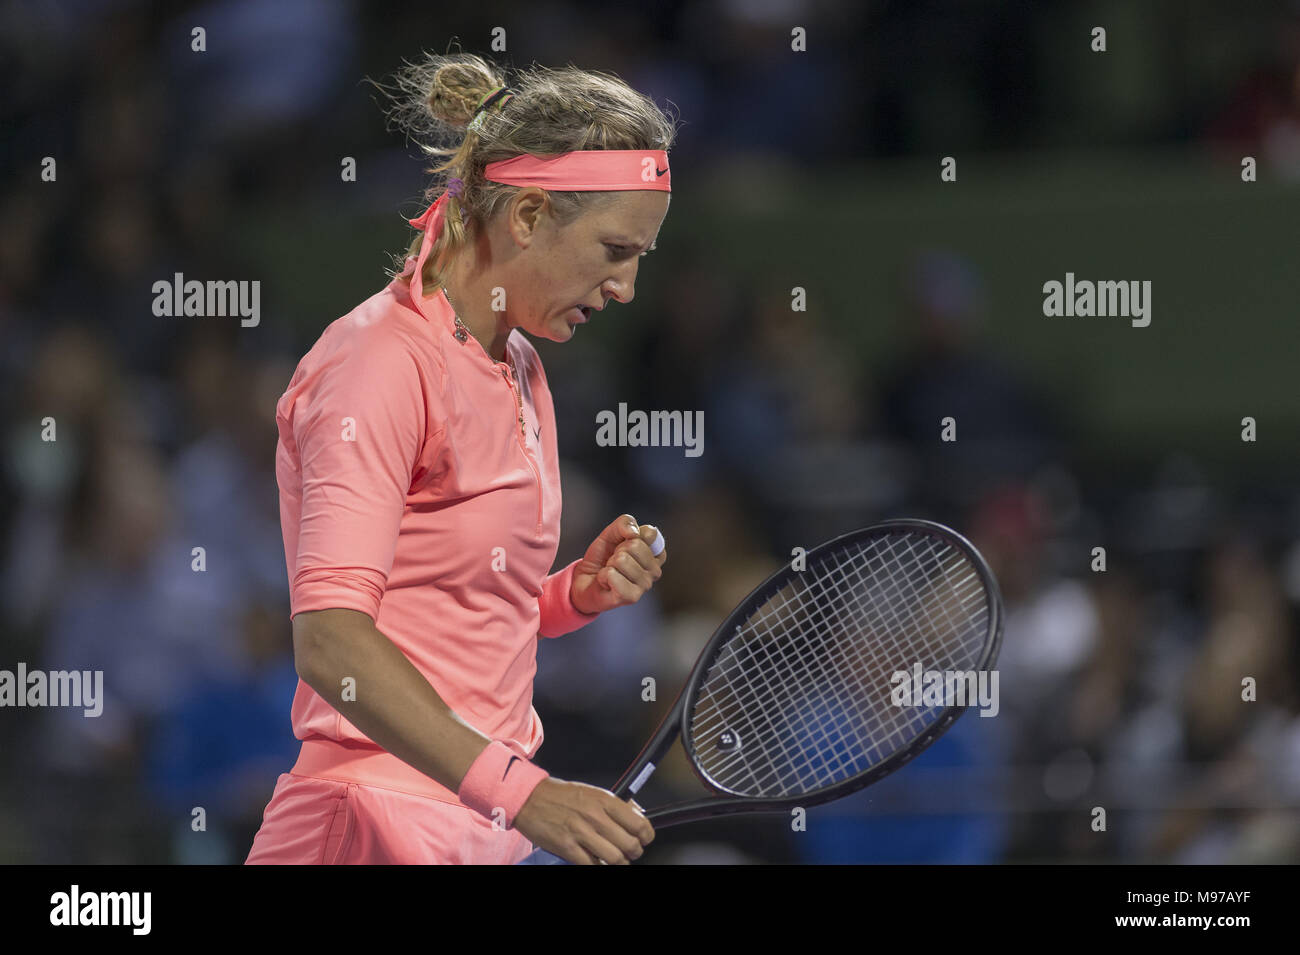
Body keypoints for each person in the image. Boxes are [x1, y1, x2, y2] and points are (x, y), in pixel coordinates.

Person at [245, 53, 676, 865]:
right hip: (367, 824)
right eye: (616, 249)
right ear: (527, 216)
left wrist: (565, 598)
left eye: (640, 258)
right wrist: (526, 792)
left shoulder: (519, 363)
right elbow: (332, 643)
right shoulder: (376, 364)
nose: (625, 286)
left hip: (480, 834)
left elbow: (448, 616)